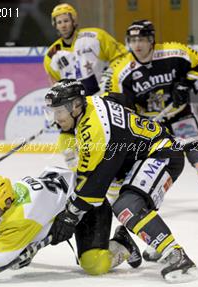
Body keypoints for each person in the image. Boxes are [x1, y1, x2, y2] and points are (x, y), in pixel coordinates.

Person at [44, 79, 198, 283]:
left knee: (127, 206)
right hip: (134, 159)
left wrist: (71, 215)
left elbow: (93, 185)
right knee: (128, 200)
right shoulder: (91, 102)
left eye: (59, 112)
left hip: (161, 153)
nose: (56, 119)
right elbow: (120, 99)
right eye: (53, 112)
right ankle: (144, 241)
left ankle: (177, 255)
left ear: (75, 106)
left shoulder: (95, 130)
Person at [0, 166, 141, 286]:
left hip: (89, 207)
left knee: (93, 264)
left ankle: (122, 243)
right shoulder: (16, 190)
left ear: (6, 201)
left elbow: (3, 253)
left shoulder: (22, 216)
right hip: (71, 203)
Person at [106, 20, 198, 214]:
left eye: (142, 39)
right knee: (137, 162)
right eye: (133, 40)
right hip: (149, 125)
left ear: (151, 40)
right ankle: (125, 199)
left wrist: (186, 84)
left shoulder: (174, 52)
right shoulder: (121, 70)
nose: (137, 45)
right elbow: (119, 105)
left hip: (179, 116)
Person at [43, 3, 127, 170]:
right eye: (59, 22)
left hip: (102, 98)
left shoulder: (95, 37)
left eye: (66, 20)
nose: (63, 25)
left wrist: (110, 76)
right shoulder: (52, 54)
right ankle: (78, 172)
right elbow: (55, 84)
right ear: (55, 25)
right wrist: (58, 108)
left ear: (74, 21)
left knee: (106, 137)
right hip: (75, 103)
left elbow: (122, 56)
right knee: (67, 133)